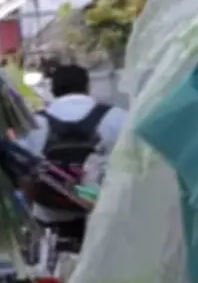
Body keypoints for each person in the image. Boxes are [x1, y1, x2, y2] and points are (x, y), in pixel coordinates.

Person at [18, 64, 129, 247]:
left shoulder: (34, 123)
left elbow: (22, 171)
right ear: (87, 86)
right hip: (103, 218)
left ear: (52, 90)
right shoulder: (116, 117)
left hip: (50, 220)